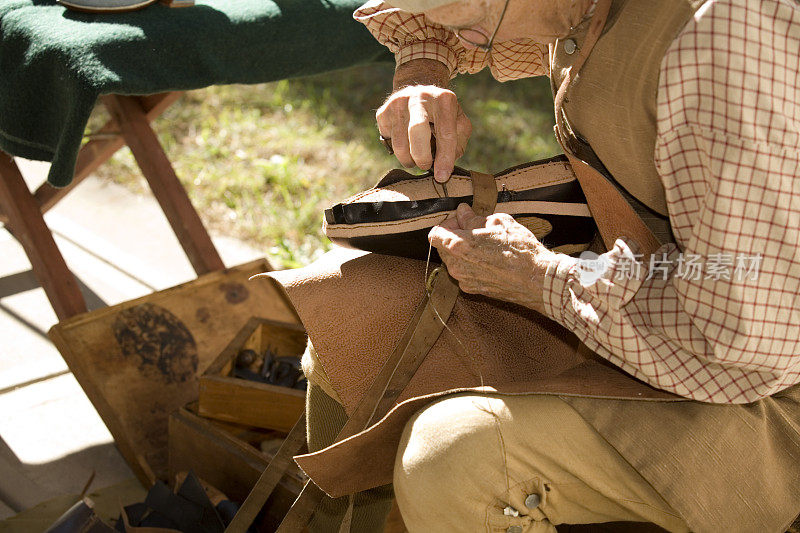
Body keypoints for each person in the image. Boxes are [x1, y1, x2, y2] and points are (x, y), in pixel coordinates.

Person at [271, 0, 800, 531]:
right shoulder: (570, 8)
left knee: (457, 458)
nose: (473, 43)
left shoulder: (722, 39)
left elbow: (747, 332)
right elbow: (439, 18)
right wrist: (421, 72)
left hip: (763, 372)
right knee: (357, 317)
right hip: (657, 287)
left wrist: (544, 281)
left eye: (464, 11)